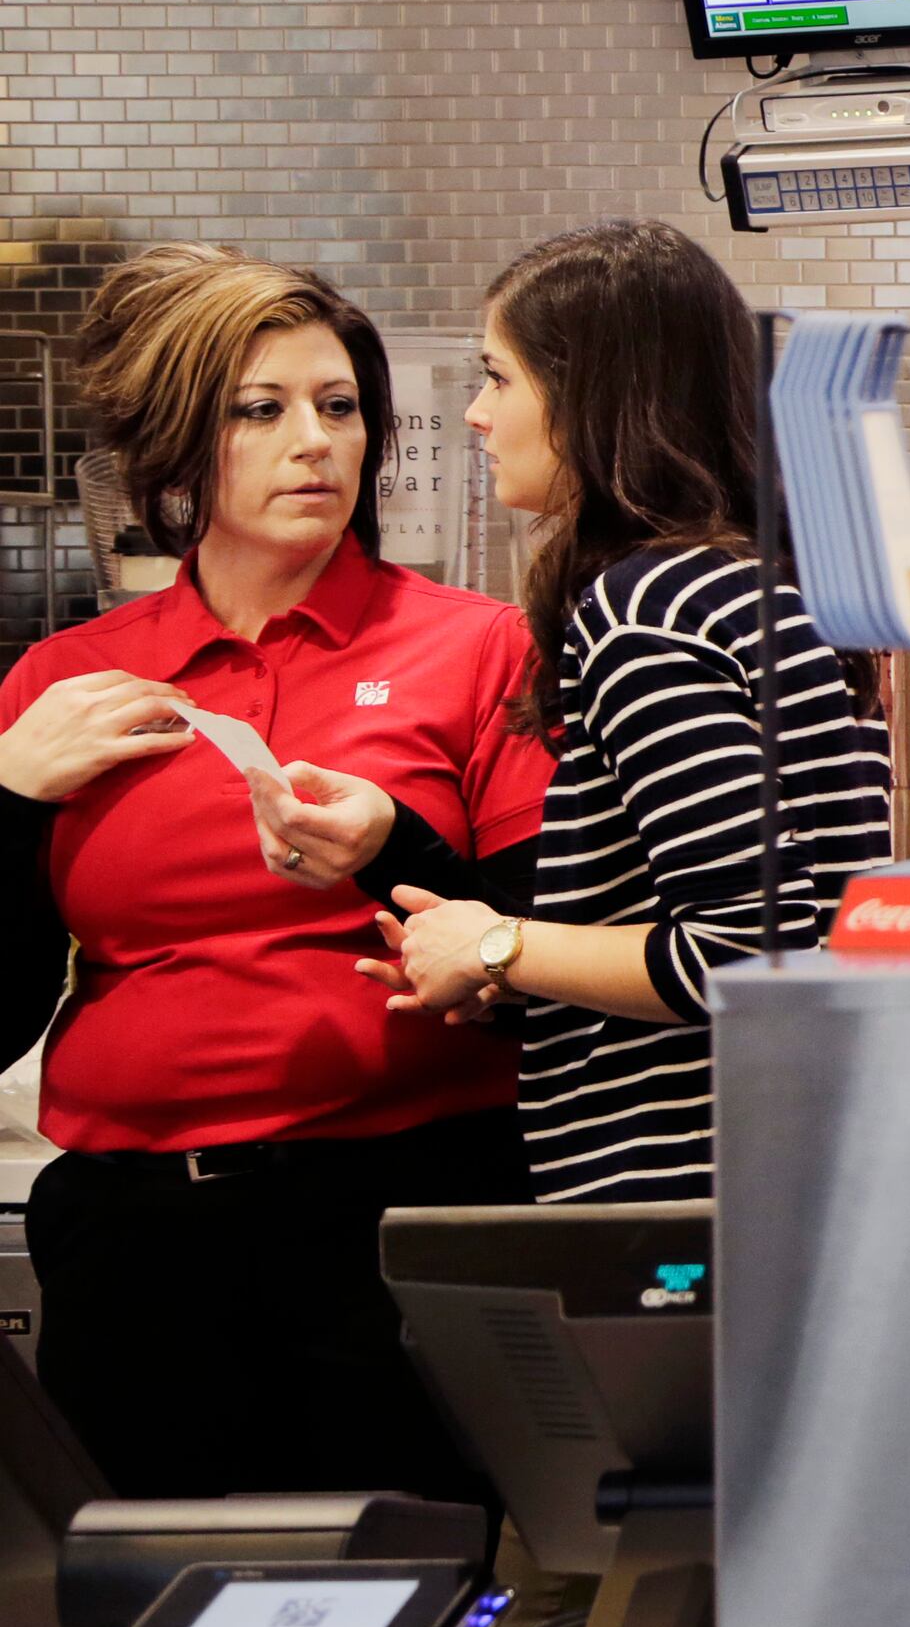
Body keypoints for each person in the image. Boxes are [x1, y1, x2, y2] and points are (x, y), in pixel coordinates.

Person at [0, 246, 552, 1499]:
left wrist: (390, 855)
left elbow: (539, 951)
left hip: (400, 1226)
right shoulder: (70, 680)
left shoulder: (477, 647)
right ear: (176, 452)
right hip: (131, 1248)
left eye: (339, 406)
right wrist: (4, 793)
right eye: (262, 410)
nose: (315, 442)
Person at [352, 221, 889, 1204]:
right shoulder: (770, 585)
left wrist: (496, 943)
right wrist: (516, 975)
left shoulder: (649, 611)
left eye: (500, 377)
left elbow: (744, 951)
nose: (476, 414)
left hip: (686, 1185)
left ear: (592, 397)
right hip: (797, 1158)